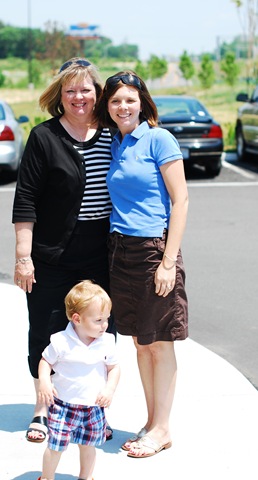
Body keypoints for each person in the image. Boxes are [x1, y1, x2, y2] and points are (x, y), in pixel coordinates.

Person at [12, 57, 116, 443]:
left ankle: (93, 411)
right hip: (52, 255)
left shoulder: (112, 133)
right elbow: (25, 199)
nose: (78, 97)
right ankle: (43, 409)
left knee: (98, 335)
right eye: (70, 90)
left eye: (85, 89)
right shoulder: (44, 136)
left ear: (97, 93)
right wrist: (24, 256)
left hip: (103, 255)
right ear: (60, 94)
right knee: (47, 330)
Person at [96, 71, 189, 458]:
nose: (123, 107)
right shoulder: (115, 141)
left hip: (154, 250)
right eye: (116, 101)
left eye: (130, 100)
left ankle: (163, 428)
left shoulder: (158, 138)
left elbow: (180, 200)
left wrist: (168, 262)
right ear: (109, 106)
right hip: (120, 251)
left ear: (143, 102)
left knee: (161, 343)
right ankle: (152, 421)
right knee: (140, 342)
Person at [36, 280, 120, 480]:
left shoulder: (107, 341)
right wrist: (45, 382)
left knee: (88, 446)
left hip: (93, 407)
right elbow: (45, 362)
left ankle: (85, 476)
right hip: (63, 406)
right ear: (77, 318)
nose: (105, 325)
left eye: (107, 319)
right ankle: (47, 477)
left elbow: (114, 367)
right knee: (55, 446)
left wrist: (109, 389)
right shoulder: (61, 341)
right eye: (99, 320)